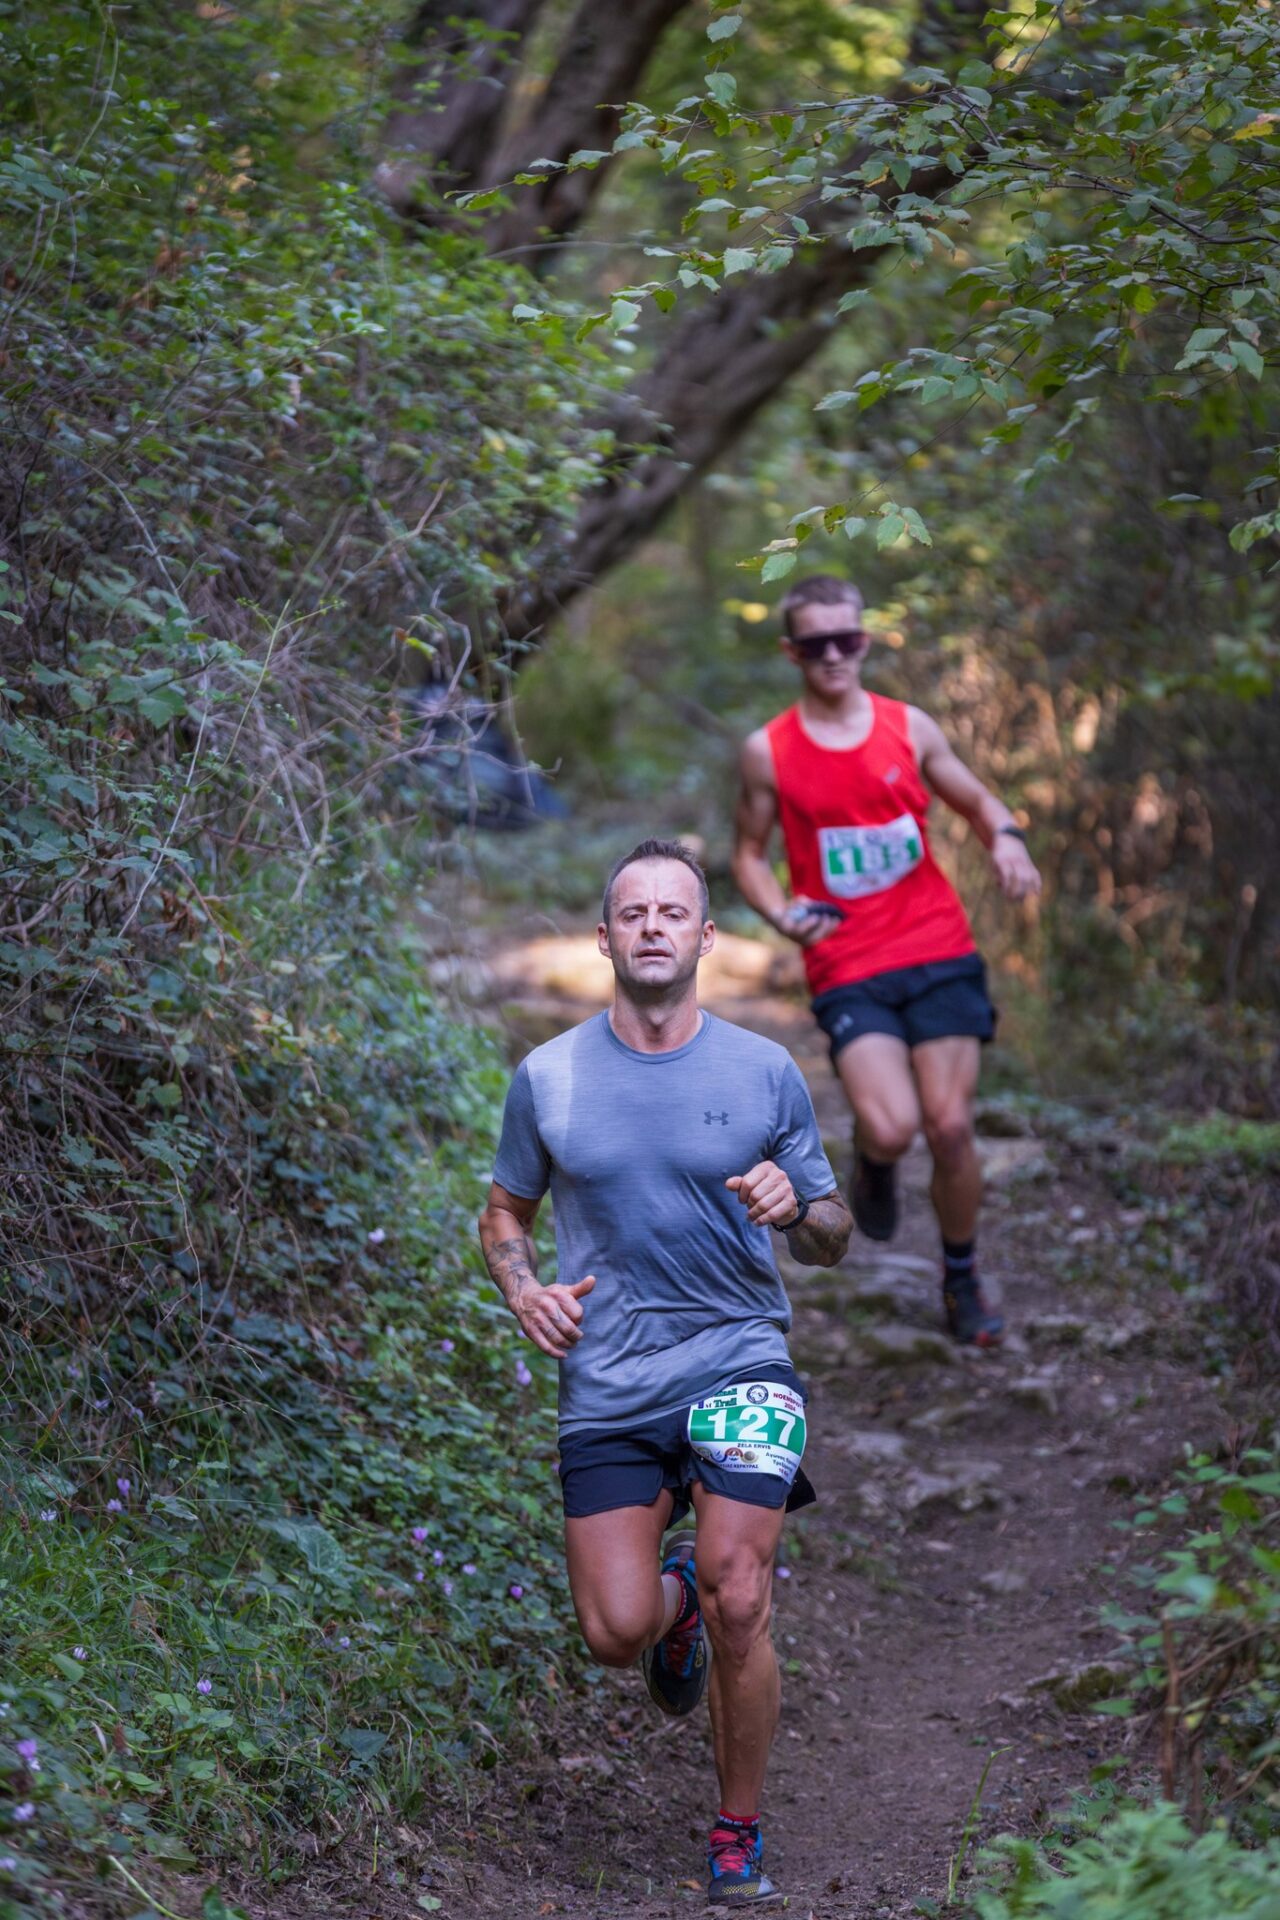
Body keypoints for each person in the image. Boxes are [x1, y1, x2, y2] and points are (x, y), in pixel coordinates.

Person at [478, 838, 851, 1907]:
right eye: (632, 912)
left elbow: (832, 1234)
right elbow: (504, 1213)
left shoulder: (762, 1071)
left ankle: (736, 1829)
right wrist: (523, 1290)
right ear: (603, 938)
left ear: (705, 937)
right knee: (613, 1632)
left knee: (744, 1595)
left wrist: (798, 1207)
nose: (652, 925)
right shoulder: (549, 1078)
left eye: (672, 911)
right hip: (609, 1381)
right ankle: (671, 1600)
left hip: (740, 1359)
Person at [732, 576, 1041, 1347]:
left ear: (865, 640)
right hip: (847, 961)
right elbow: (748, 855)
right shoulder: (769, 751)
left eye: (848, 639)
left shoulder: (909, 727)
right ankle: (875, 1160)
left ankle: (961, 1278)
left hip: (938, 946)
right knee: (894, 1124)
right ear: (792, 652)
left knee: (951, 1127)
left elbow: (980, 802)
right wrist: (781, 914)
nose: (834, 655)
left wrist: (1006, 841)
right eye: (816, 644)